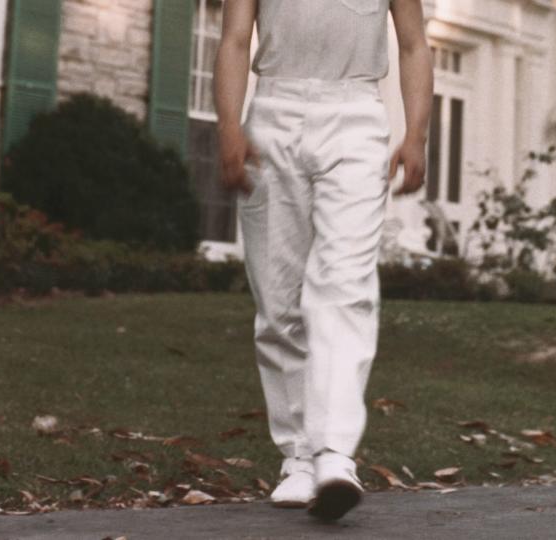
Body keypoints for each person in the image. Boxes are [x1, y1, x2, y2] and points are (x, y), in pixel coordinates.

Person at [213, 0, 433, 522]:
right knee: (279, 297)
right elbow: (235, 39)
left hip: (356, 117)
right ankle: (298, 457)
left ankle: (334, 453)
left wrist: (416, 135)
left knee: (344, 284)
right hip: (273, 112)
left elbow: (414, 42)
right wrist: (228, 128)